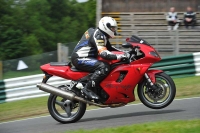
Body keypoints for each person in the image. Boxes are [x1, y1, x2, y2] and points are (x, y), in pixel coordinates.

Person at [71, 16, 128, 100]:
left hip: (86, 57)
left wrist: (125, 53)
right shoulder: (98, 35)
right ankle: (88, 88)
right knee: (103, 67)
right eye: (112, 28)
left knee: (108, 64)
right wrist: (119, 56)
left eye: (114, 28)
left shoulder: (102, 34)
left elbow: (110, 48)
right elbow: (104, 53)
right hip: (80, 58)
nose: (113, 30)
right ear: (106, 27)